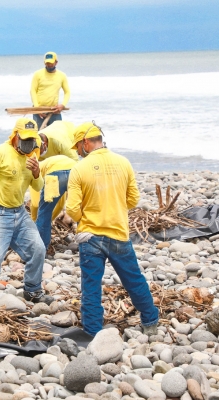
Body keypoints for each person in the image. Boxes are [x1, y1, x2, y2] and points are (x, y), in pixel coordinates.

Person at [66, 121, 159, 336]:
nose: (78, 152)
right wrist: (115, 208)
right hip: (118, 233)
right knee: (133, 279)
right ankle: (150, 320)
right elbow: (133, 199)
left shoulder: (80, 169)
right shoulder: (123, 162)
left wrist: (84, 219)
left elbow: (71, 208)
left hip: (90, 236)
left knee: (91, 287)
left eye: (78, 147)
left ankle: (93, 332)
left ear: (86, 143)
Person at [0, 118, 54, 305]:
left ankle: (32, 290)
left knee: (38, 249)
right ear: (15, 136)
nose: (28, 144)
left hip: (20, 214)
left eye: (31, 140)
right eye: (24, 139)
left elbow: (38, 186)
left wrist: (36, 172)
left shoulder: (32, 155)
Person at [30, 155, 77, 249]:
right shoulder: (48, 162)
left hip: (55, 174)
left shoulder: (34, 173)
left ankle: (42, 248)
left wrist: (35, 221)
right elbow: (60, 205)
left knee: (44, 212)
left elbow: (35, 204)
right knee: (80, 209)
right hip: (75, 171)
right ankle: (85, 246)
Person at [30, 52, 71, 129]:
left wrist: (62, 105)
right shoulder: (38, 74)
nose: (49, 65)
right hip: (39, 110)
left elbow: (67, 92)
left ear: (56, 62)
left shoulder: (62, 75)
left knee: (57, 134)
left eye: (51, 63)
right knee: (39, 136)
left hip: (54, 110)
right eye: (47, 63)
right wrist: (37, 108)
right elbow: (33, 91)